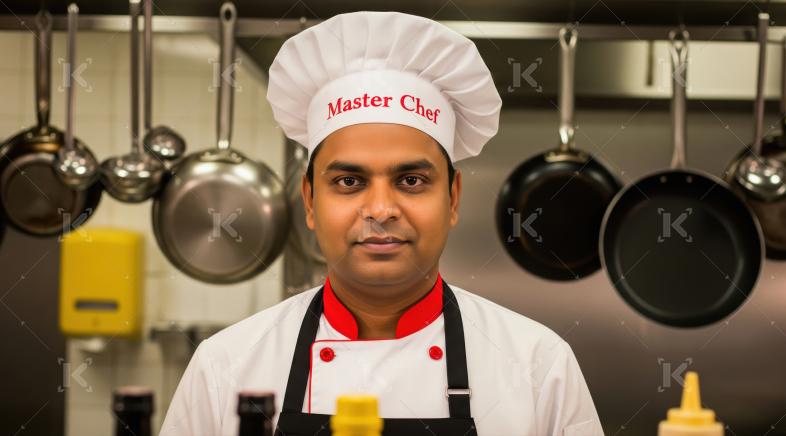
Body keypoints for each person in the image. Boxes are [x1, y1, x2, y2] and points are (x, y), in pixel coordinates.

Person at [160, 11, 603, 436]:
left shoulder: (539, 368)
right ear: (310, 202)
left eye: (411, 180)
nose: (380, 209)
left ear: (452, 198)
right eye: (349, 181)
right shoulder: (225, 368)